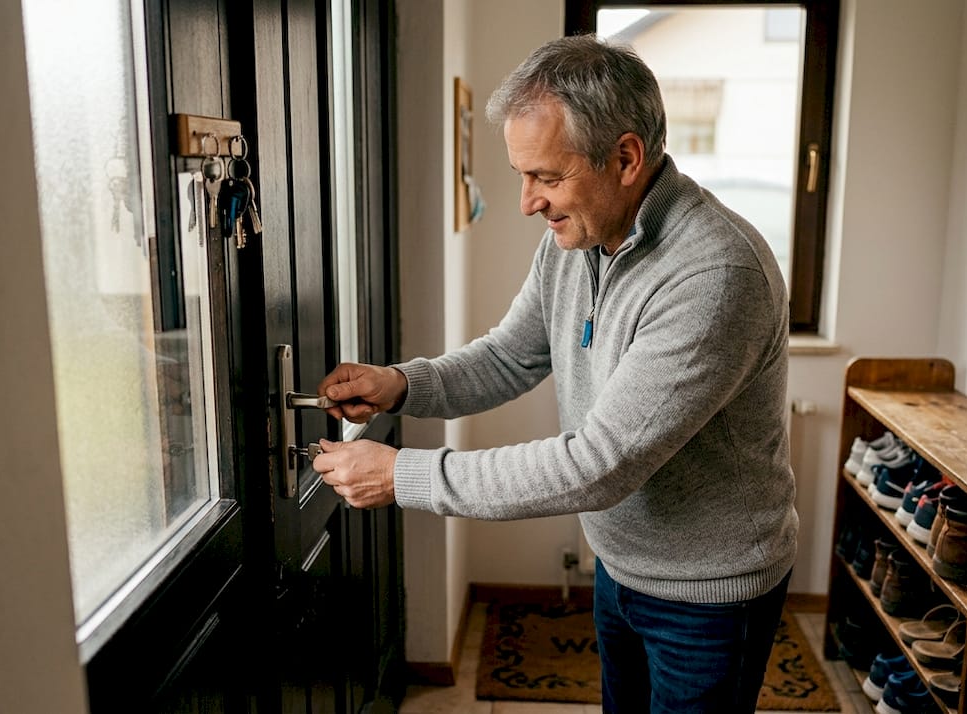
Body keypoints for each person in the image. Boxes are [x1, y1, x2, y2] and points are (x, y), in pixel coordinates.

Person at [312, 34, 796, 713]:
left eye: (546, 176)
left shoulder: (715, 276)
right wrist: (402, 383)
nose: (527, 202)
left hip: (707, 597)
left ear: (625, 157)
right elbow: (511, 354)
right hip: (621, 568)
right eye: (522, 175)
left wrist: (402, 476)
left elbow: (598, 466)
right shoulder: (579, 240)